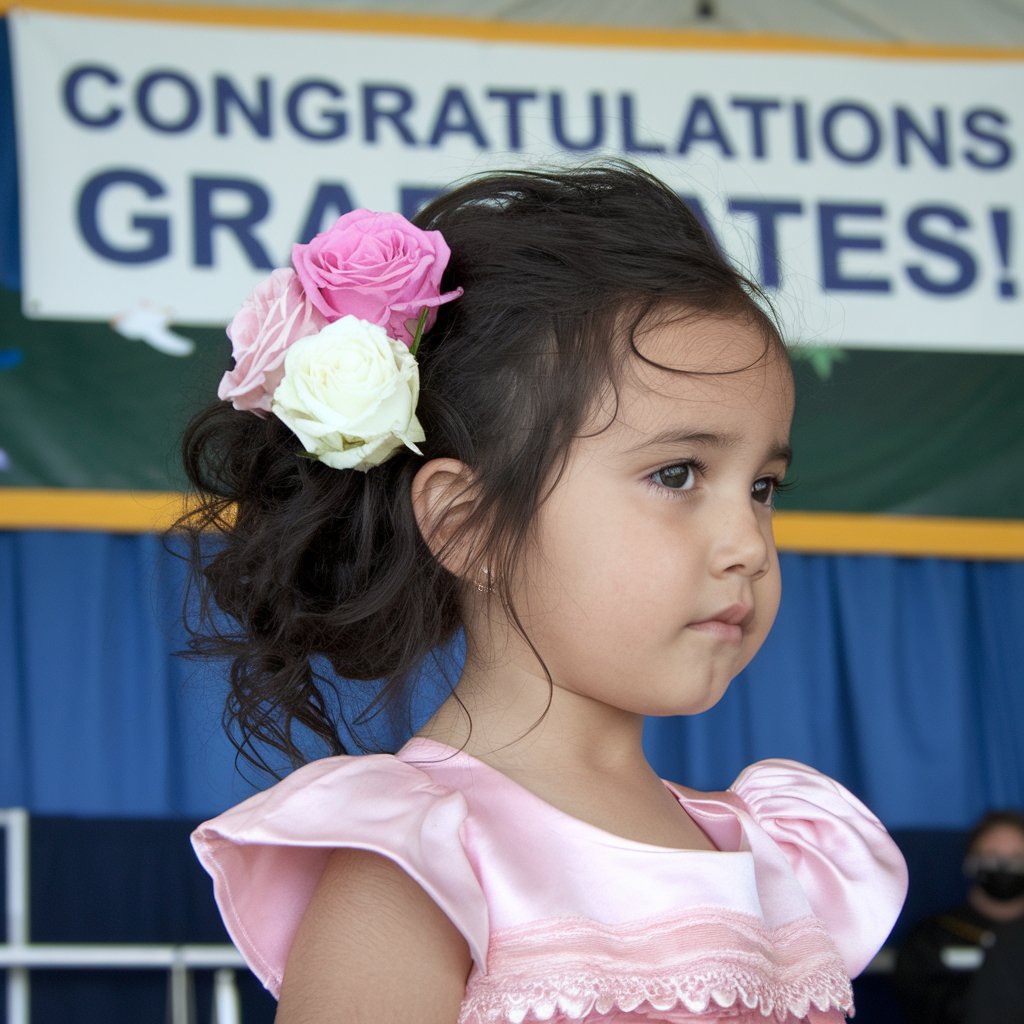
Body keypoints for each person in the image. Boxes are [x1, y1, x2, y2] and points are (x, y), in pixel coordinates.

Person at [182, 162, 908, 1024]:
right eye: (678, 474)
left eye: (763, 487)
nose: (748, 544)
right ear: (466, 525)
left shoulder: (786, 854)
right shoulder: (419, 868)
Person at [895, 810, 1024, 1024]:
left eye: (1017, 858)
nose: (1003, 866)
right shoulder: (933, 937)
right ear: (970, 861)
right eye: (992, 856)